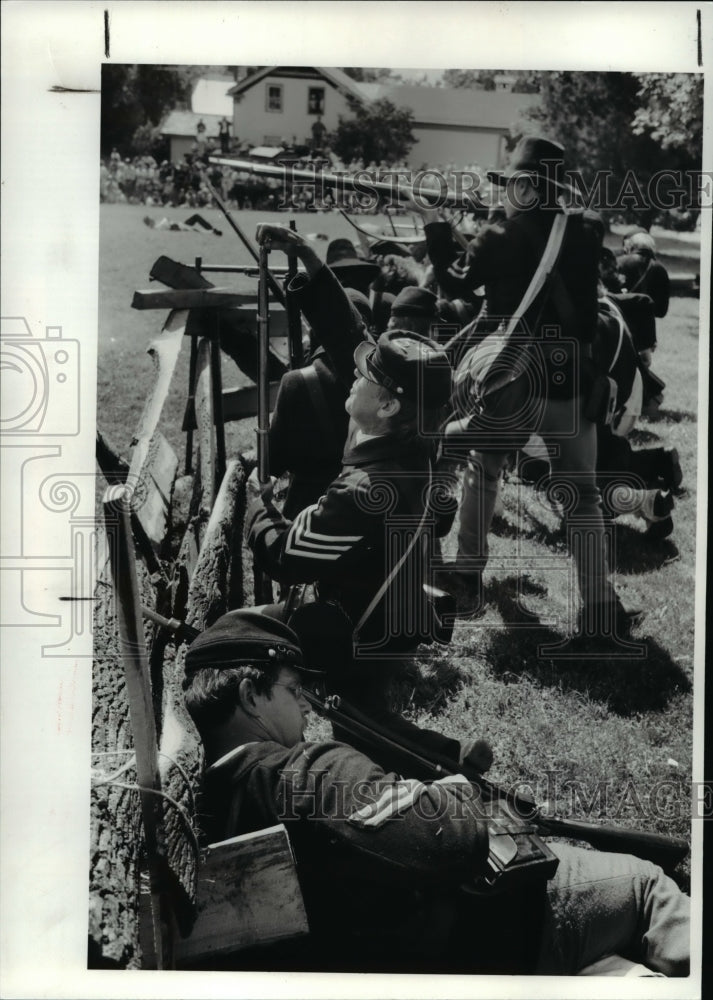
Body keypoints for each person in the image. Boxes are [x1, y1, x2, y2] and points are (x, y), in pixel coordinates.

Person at [182, 608, 691, 976]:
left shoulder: (216, 803)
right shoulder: (307, 774)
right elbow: (449, 841)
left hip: (423, 951)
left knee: (613, 966)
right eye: (293, 692)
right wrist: (448, 795)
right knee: (647, 887)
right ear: (251, 696)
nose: (308, 710)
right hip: (502, 930)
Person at [410, 136, 640, 641]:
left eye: (513, 182)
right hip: (574, 381)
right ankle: (601, 607)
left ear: (525, 186)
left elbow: (453, 284)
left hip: (513, 378)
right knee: (581, 497)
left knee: (482, 469)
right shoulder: (584, 234)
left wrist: (433, 221)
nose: (507, 190)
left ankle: (468, 572)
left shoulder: (499, 235)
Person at [246, 327, 473, 766]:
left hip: (353, 630)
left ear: (388, 405)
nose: (354, 373)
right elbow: (441, 517)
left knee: (242, 638)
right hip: (394, 618)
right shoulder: (418, 454)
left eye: (368, 374)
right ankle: (451, 756)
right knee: (360, 720)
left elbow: (283, 557)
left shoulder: (362, 489)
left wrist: (259, 506)